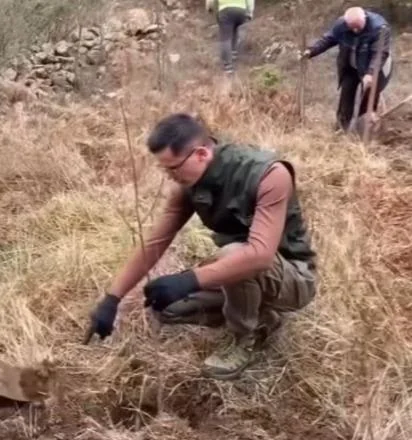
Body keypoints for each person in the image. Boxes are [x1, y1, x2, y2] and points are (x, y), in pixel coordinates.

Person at [85, 113, 317, 380]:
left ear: (201, 154)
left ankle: (244, 338)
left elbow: (260, 256)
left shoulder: (269, 175)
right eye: (164, 170)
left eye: (173, 168)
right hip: (242, 272)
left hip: (293, 278)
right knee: (168, 308)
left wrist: (190, 279)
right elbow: (155, 242)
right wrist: (112, 298)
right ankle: (264, 318)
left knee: (234, 254)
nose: (170, 177)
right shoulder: (188, 184)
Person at [300, 6, 393, 132]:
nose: (355, 30)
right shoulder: (341, 24)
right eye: (351, 27)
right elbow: (328, 39)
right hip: (351, 66)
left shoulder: (379, 28)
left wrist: (370, 73)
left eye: (358, 27)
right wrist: (311, 51)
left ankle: (362, 132)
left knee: (367, 100)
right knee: (346, 96)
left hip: (375, 68)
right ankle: (341, 129)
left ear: (364, 19)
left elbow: (379, 53)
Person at [206, 0, 255, 75]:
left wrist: (210, 7)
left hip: (225, 10)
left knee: (226, 38)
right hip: (241, 10)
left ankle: (228, 67)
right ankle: (233, 55)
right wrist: (250, 12)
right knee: (235, 30)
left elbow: (210, 1)